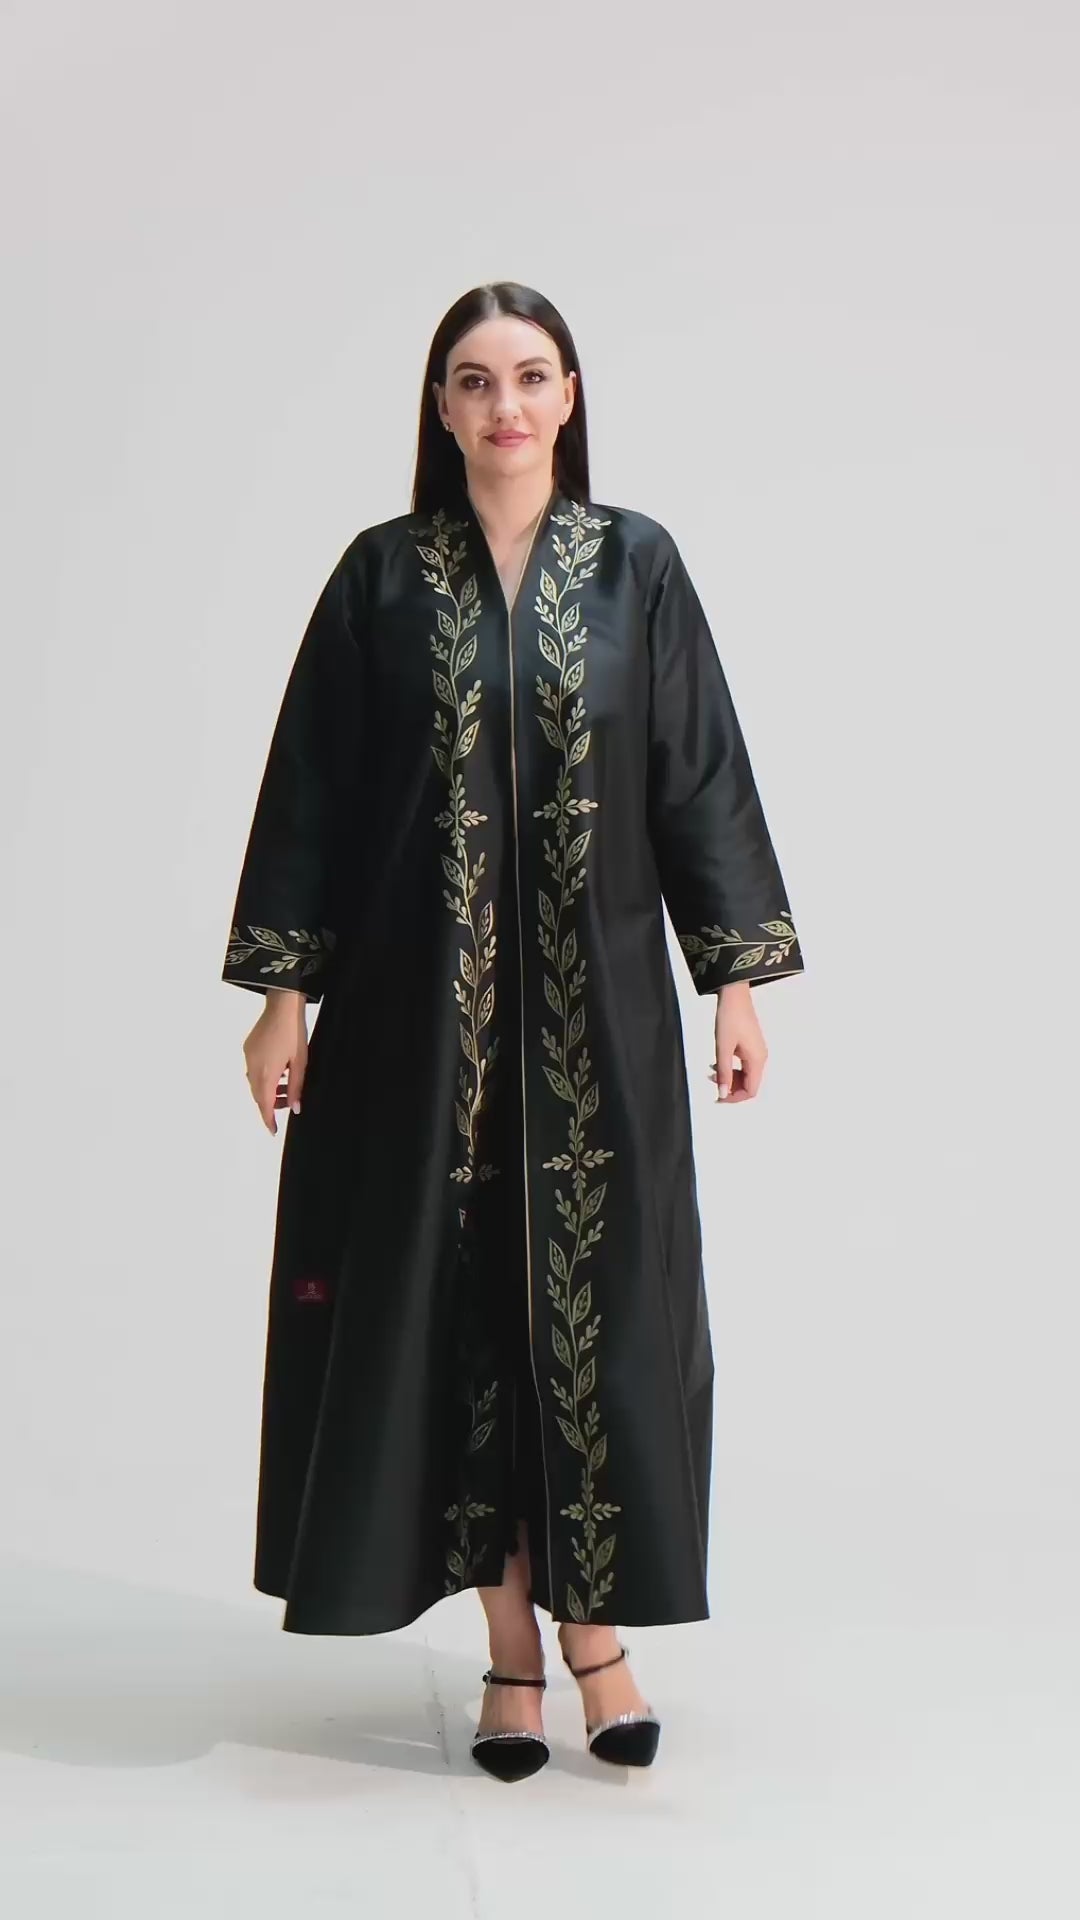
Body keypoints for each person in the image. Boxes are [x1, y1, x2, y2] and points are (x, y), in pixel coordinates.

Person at [221, 280, 805, 1783]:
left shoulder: (636, 568)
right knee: (453, 1313)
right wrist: (284, 996)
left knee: (599, 1315)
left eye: (532, 376)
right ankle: (510, 1652)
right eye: (475, 380)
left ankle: (598, 1638)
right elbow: (311, 792)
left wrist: (734, 978)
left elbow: (695, 774)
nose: (506, 406)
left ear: (570, 396)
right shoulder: (381, 579)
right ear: (441, 406)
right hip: (415, 1033)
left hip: (599, 1027)